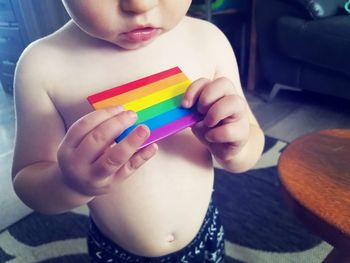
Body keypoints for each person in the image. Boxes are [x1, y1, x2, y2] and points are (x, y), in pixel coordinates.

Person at [11, 0, 265, 262]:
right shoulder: (43, 67)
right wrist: (68, 182)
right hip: (117, 251)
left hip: (204, 234)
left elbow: (252, 138)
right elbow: (27, 181)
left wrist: (237, 147)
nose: (140, 4)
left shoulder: (209, 41)